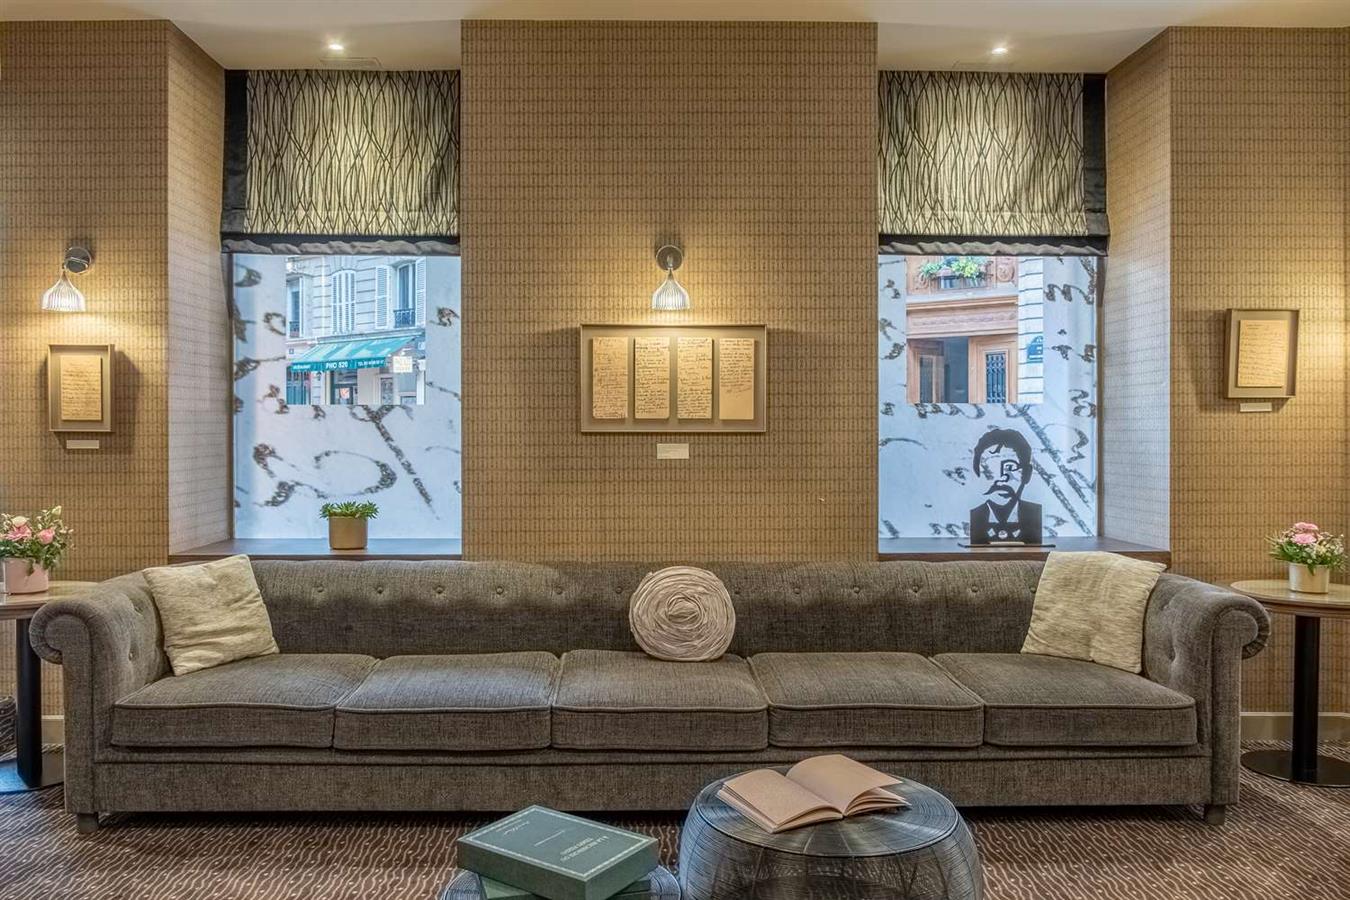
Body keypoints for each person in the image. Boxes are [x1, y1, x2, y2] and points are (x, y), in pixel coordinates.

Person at [968, 428, 1042, 545]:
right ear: (977, 472)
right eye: (989, 471)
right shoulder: (976, 517)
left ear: (1027, 474)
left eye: (1010, 468)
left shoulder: (1033, 515)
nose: (1000, 479)